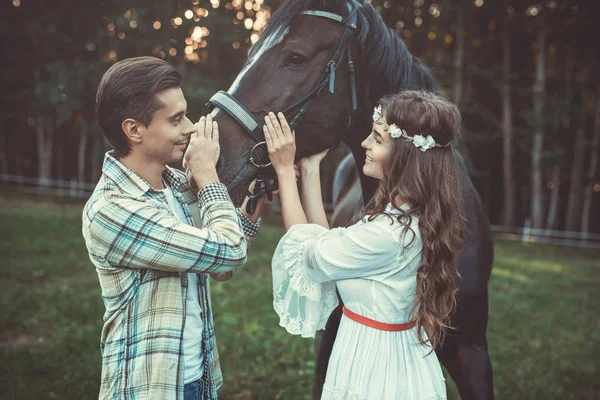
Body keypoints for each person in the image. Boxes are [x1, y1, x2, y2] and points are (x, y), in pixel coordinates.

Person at [263, 90, 466, 399]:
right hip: (394, 356)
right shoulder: (407, 217)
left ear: (403, 155)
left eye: (377, 138)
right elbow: (329, 246)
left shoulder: (387, 234)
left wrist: (283, 170)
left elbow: (308, 255)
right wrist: (311, 169)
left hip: (374, 369)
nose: (364, 145)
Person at [82, 56, 264, 400]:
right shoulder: (112, 211)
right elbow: (229, 254)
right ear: (134, 130)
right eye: (176, 119)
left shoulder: (178, 187)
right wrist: (208, 176)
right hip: (148, 388)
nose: (192, 128)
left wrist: (256, 193)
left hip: (197, 378)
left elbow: (218, 266)